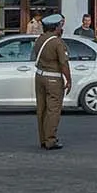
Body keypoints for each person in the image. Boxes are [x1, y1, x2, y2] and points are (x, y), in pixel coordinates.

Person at [32, 13, 72, 149]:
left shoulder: (39, 40)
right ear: (56, 27)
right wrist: (69, 79)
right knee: (53, 110)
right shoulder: (57, 42)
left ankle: (43, 139)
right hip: (53, 79)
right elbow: (63, 64)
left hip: (39, 77)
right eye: (60, 26)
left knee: (41, 109)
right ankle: (51, 140)